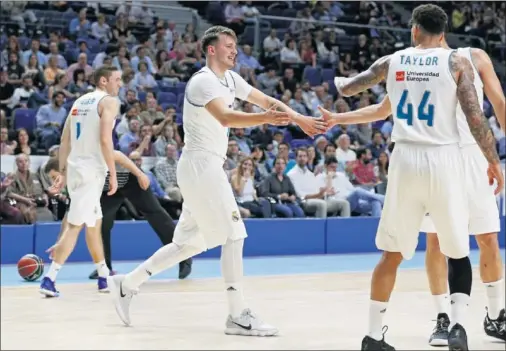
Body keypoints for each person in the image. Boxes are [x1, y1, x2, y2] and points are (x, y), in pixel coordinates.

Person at [108, 25, 326, 336]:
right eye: (228, 45)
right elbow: (226, 117)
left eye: (235, 46)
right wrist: (266, 119)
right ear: (212, 49)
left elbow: (267, 100)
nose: (234, 50)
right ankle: (237, 315)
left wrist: (299, 119)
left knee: (189, 243)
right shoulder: (202, 82)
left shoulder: (230, 79)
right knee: (234, 234)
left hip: (205, 167)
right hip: (200, 166)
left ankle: (127, 284)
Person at [321, 4, 504, 350]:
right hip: (444, 158)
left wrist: (336, 96)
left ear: (415, 30)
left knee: (392, 253)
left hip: (403, 160)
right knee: (456, 250)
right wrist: (493, 160)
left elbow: (350, 88)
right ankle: (458, 327)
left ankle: (373, 335)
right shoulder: (456, 62)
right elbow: (476, 118)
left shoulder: (393, 61)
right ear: (444, 31)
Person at [39, 66, 122, 297]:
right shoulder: (109, 102)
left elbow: (64, 141)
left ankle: (103, 276)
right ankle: (50, 278)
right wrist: (113, 174)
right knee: (75, 225)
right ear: (104, 81)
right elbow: (107, 141)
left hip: (76, 169)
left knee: (94, 224)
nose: (120, 84)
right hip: (91, 171)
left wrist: (64, 172)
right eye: (117, 79)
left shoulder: (79, 102)